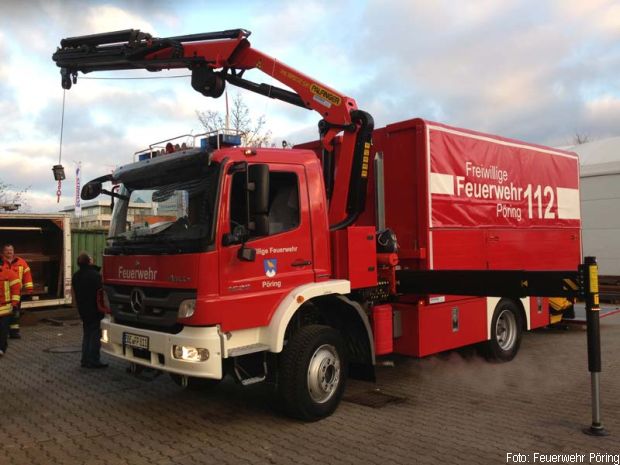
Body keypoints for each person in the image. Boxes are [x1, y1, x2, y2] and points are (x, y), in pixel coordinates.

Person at [72, 252, 107, 369]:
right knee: (95, 335)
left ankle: (85, 360)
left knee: (87, 334)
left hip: (83, 310)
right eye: (91, 259)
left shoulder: (76, 276)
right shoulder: (95, 275)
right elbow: (101, 292)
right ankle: (94, 360)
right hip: (95, 309)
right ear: (89, 262)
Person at [1, 244, 33, 339]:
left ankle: (14, 332)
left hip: (16, 293)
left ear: (14, 251)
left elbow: (27, 275)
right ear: (3, 252)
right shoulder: (1, 262)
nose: (9, 252)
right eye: (7, 250)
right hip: (3, 293)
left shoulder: (21, 262)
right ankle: (3, 332)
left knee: (15, 312)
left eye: (11, 250)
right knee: (4, 314)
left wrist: (29, 289)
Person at [0, 257, 21, 357]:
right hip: (5, 308)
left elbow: (16, 290)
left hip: (5, 310)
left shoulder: (9, 274)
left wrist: (14, 303)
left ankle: (1, 349)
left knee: (3, 330)